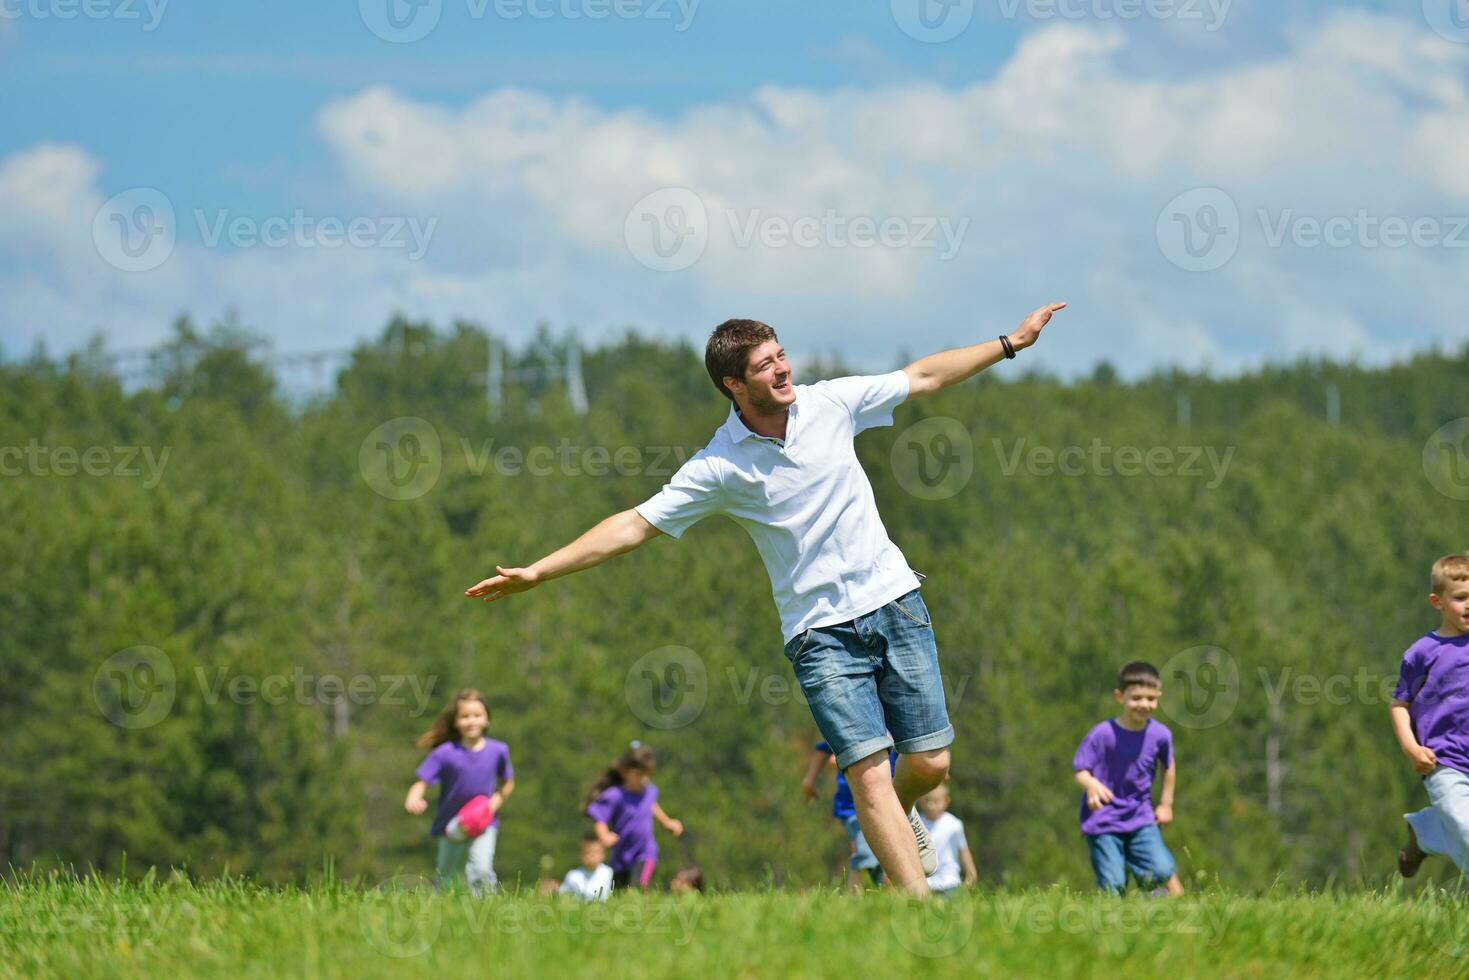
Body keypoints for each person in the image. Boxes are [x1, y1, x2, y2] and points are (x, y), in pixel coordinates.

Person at [466, 303, 1067, 893]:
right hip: (819, 633)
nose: (783, 370)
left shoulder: (830, 403)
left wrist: (1010, 343)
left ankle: (894, 811)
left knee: (930, 763)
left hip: (894, 600)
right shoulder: (720, 464)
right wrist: (539, 572)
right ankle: (914, 908)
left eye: (782, 356)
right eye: (765, 365)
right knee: (866, 773)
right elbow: (634, 525)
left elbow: (924, 376)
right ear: (733, 384)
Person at [1072, 662, 1184, 896]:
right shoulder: (1102, 734)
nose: (1144, 704)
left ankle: (1155, 898)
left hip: (1141, 817)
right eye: (1136, 698)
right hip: (1103, 820)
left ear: (1159, 697)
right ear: (1120, 696)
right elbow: (1081, 771)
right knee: (1113, 885)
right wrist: (1091, 785)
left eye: (1151, 698)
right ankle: (1114, 921)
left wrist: (1165, 804)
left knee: (1162, 869)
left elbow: (1169, 766)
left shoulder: (1160, 735)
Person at [1393, 553, 1469, 879]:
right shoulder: (1423, 652)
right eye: (1461, 598)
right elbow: (1399, 705)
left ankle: (1425, 833)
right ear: (1437, 601)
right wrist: (1411, 749)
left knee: (1457, 824)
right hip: (1445, 761)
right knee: (1466, 829)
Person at [404, 688, 515, 895]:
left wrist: (491, 806)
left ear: (487, 719)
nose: (471, 721)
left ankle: (485, 910)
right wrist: (414, 797)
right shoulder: (445, 753)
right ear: (455, 721)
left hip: (484, 823)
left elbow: (508, 783)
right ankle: (443, 911)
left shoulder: (498, 750)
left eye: (477, 715)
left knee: (481, 869)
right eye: (465, 716)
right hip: (451, 824)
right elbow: (422, 782)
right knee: (446, 876)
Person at [584, 743, 684, 891]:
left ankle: (643, 911)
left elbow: (651, 806)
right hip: (621, 854)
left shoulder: (649, 792)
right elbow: (600, 818)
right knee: (618, 892)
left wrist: (667, 822)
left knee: (638, 886)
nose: (644, 779)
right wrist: (604, 836)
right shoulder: (615, 795)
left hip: (645, 852)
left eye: (647, 774)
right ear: (624, 772)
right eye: (639, 774)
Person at [802, 739, 895, 890]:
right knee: (866, 853)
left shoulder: (890, 724)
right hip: (852, 808)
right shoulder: (848, 720)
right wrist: (809, 780)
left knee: (882, 856)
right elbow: (826, 749)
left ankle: (889, 894)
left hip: (886, 806)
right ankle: (853, 898)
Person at [915, 783, 977, 896]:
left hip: (950, 882)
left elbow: (963, 850)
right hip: (926, 883)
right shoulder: (916, 823)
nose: (931, 805)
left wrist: (971, 875)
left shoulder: (954, 824)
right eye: (926, 800)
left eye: (935, 801)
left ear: (946, 801)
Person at [560, 834, 615, 902]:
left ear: (603, 854)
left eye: (596, 852)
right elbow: (562, 895)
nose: (592, 856)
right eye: (587, 852)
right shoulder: (572, 876)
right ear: (580, 855)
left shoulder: (609, 873)